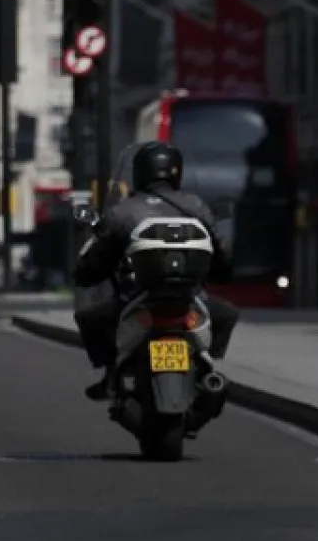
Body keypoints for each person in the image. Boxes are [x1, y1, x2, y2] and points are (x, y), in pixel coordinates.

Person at [72, 141, 239, 401]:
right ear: (176, 171)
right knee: (226, 314)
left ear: (140, 172)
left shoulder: (123, 211)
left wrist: (87, 274)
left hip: (139, 297)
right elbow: (221, 253)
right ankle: (209, 368)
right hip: (188, 299)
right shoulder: (196, 206)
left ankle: (109, 376)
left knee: (89, 318)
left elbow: (98, 257)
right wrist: (221, 273)